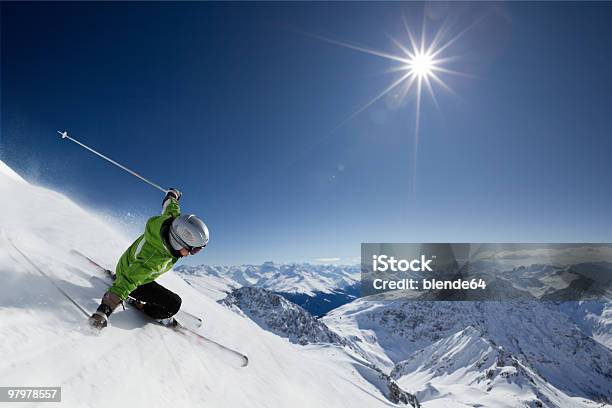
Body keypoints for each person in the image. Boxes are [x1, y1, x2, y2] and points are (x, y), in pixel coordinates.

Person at [88, 188, 209, 329]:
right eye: (193, 249)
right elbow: (129, 280)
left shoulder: (171, 222)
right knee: (174, 304)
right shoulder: (153, 256)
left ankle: (120, 279)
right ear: (178, 241)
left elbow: (171, 206)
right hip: (133, 279)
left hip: (130, 268)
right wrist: (103, 312)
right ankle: (143, 307)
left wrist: (172, 195)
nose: (191, 254)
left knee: (138, 277)